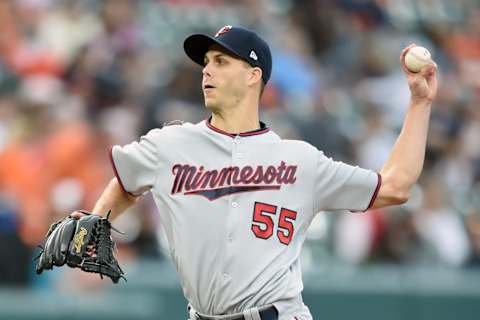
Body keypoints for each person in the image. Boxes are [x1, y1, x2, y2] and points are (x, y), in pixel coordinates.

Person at [72, 26, 438, 320]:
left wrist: (420, 103)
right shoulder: (170, 144)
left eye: (220, 61)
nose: (207, 69)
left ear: (253, 75)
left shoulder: (299, 160)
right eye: (205, 62)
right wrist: (95, 220)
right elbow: (126, 182)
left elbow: (396, 186)